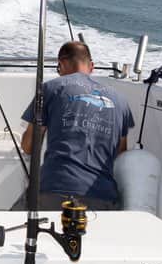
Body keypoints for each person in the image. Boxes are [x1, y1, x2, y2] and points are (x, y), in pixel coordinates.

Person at [19, 41, 134, 211]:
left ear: (62, 64)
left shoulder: (51, 88)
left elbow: (29, 146)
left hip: (54, 191)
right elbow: (120, 152)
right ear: (92, 66)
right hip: (104, 197)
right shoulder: (120, 101)